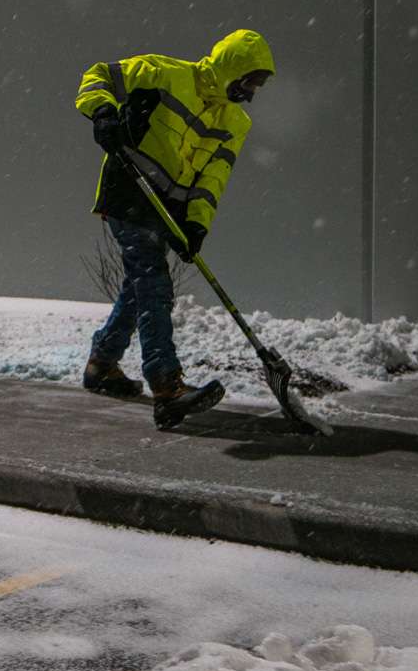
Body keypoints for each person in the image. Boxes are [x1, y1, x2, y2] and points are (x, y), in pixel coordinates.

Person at [73, 29, 275, 429]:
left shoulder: (235, 122)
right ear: (232, 68)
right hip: (129, 191)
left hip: (164, 210)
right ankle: (166, 386)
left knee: (139, 286)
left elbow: (212, 177)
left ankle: (102, 363)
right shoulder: (166, 73)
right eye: (250, 81)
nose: (251, 93)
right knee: (153, 283)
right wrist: (103, 113)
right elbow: (97, 75)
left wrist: (196, 225)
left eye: (257, 86)